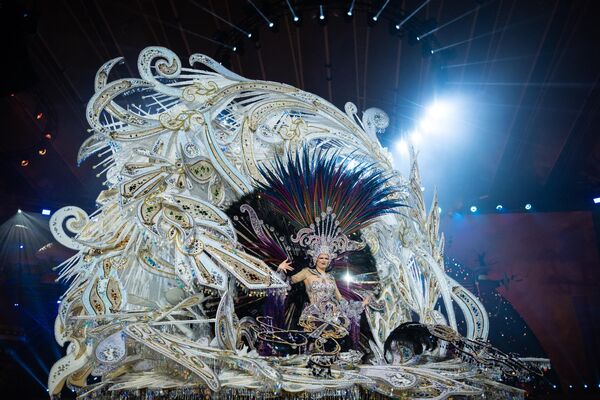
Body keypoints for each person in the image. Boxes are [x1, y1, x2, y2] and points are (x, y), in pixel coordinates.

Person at [277, 251, 369, 347]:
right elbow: (288, 282)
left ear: (329, 261)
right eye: (321, 258)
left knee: (334, 346)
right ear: (315, 259)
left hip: (332, 317)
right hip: (314, 316)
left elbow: (340, 299)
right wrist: (280, 270)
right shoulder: (307, 272)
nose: (324, 260)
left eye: (326, 258)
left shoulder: (331, 278)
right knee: (311, 346)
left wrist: (360, 304)